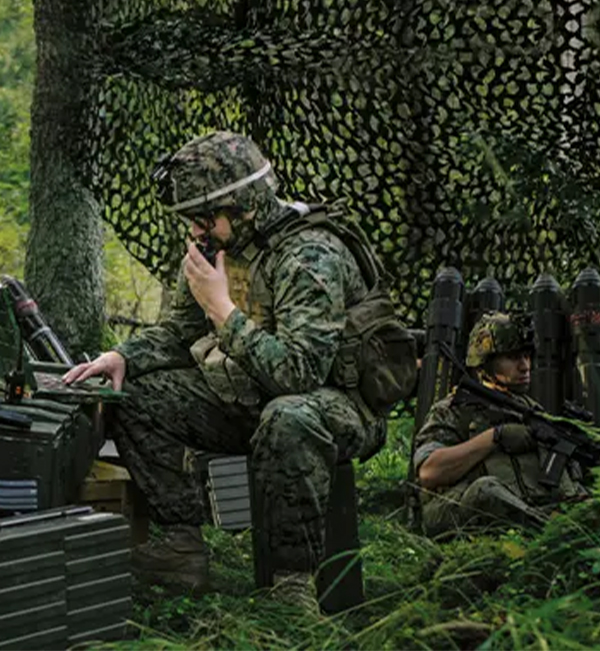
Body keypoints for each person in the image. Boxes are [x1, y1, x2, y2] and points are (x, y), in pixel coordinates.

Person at [61, 131, 386, 603]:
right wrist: (123, 357)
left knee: (288, 417)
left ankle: (292, 585)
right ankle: (181, 548)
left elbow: (300, 373)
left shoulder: (309, 255)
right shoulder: (220, 249)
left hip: (339, 405)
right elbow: (179, 332)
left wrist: (222, 309)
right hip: (254, 396)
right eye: (191, 220)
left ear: (244, 208)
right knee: (133, 396)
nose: (196, 232)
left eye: (204, 219)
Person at [413, 312, 591, 536]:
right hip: (463, 512)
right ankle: (553, 535)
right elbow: (429, 472)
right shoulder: (455, 409)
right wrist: (495, 437)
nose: (525, 366)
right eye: (513, 357)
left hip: (530, 510)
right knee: (486, 491)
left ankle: (553, 531)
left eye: (526, 356)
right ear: (485, 363)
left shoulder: (533, 412)